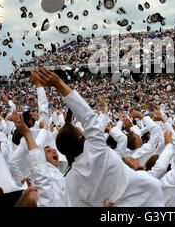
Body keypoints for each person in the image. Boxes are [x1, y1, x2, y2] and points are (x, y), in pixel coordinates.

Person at [31, 67, 165, 207]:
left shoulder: (71, 181)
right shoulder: (96, 147)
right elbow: (86, 115)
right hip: (147, 197)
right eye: (81, 133)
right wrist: (59, 84)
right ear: (81, 139)